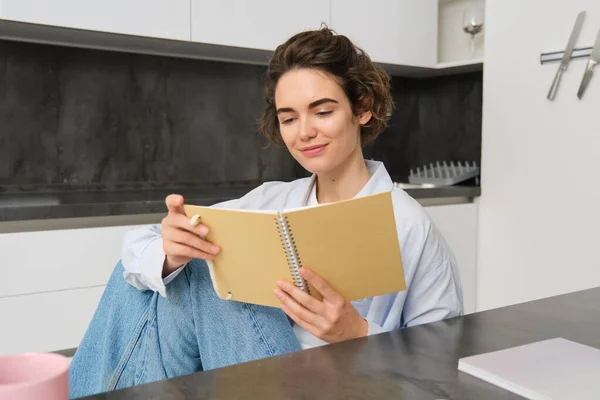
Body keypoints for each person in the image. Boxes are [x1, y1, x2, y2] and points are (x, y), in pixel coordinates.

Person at [69, 26, 463, 398]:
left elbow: (441, 371)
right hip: (246, 376)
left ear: (362, 110)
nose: (303, 132)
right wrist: (172, 251)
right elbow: (138, 248)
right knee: (160, 270)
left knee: (201, 272)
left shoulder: (409, 224)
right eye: (289, 118)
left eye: (322, 112)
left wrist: (356, 334)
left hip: (344, 387)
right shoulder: (271, 201)